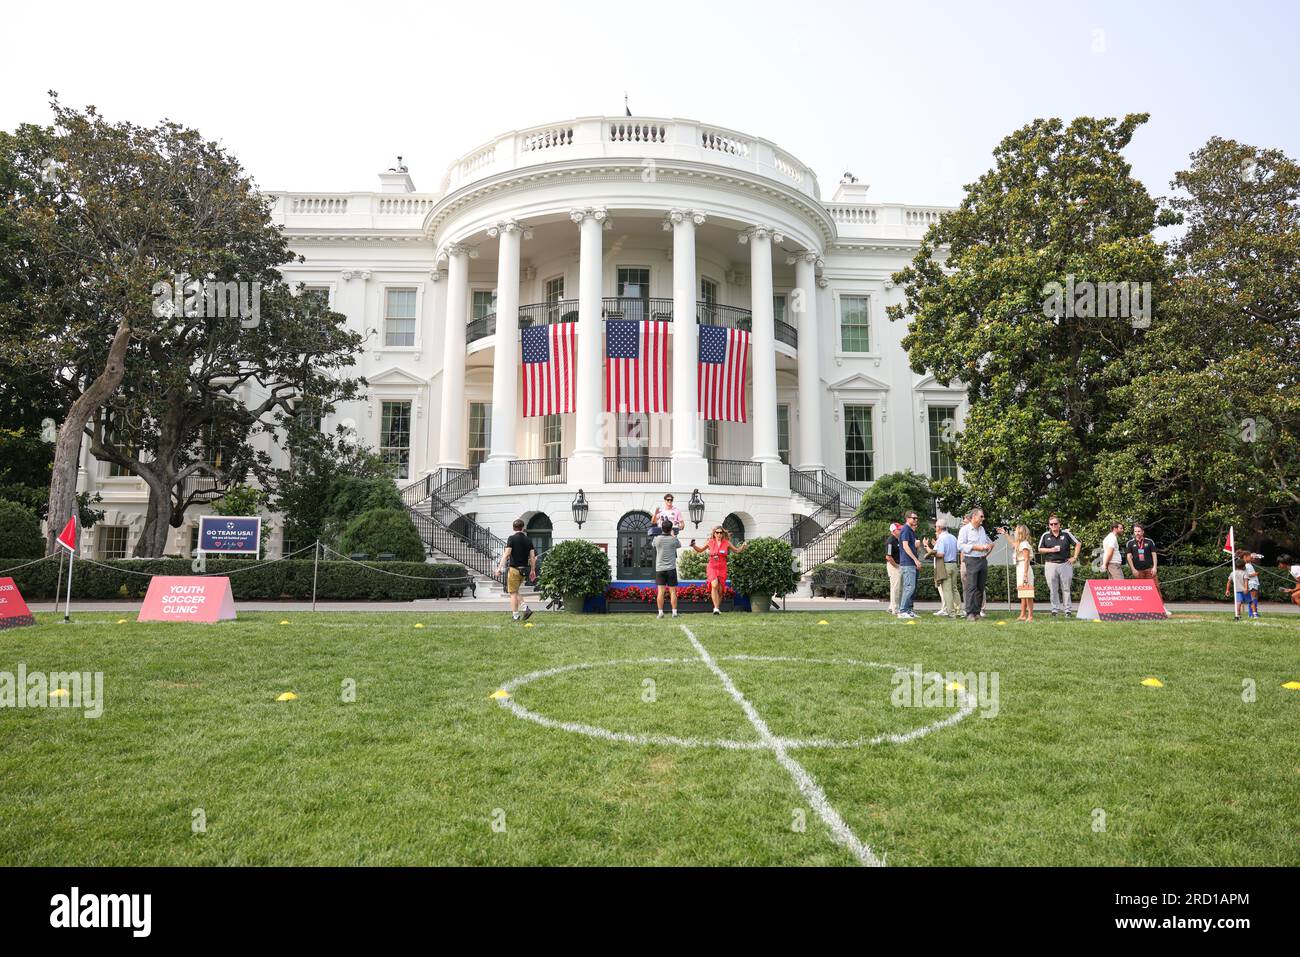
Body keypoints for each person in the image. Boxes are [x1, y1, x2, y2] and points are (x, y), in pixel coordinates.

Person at [690, 525, 747, 615]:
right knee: (714, 585)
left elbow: (736, 550)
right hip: (712, 567)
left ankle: (717, 607)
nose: (719, 534)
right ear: (714, 534)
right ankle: (716, 608)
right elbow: (700, 550)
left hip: (722, 568)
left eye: (721, 532)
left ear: (723, 534)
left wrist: (743, 547)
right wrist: (693, 546)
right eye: (717, 532)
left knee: (720, 590)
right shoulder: (710, 542)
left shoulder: (727, 543)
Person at [957, 509, 1000, 621]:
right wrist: (976, 547)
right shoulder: (964, 530)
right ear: (974, 516)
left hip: (982, 560)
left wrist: (988, 547)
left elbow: (989, 543)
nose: (983, 518)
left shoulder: (982, 529)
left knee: (980, 587)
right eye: (981, 516)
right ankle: (969, 613)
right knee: (971, 587)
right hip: (971, 560)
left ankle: (977, 612)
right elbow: (960, 546)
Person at [1038, 515, 1081, 618]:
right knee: (1053, 589)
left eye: (1055, 524)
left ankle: (1067, 610)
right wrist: (1051, 550)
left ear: (1059, 524)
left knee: (1066, 588)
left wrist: (1074, 557)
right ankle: (1055, 609)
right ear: (1049, 525)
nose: (1053, 526)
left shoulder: (1066, 534)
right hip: (1050, 564)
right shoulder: (1045, 535)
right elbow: (1040, 549)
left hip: (1065, 564)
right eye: (1051, 524)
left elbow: (1078, 543)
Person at [498, 518, 537, 621]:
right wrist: (533, 570)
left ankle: (517, 615)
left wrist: (499, 568)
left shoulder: (511, 538)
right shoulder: (528, 540)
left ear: (513, 528)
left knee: (512, 593)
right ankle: (524, 609)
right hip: (524, 571)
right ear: (523, 528)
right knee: (515, 591)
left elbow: (507, 554)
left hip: (514, 570)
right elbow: (532, 557)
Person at [923, 518, 961, 617]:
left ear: (939, 528)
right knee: (954, 589)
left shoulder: (941, 538)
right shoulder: (953, 537)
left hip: (945, 565)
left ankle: (951, 613)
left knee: (947, 590)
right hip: (954, 564)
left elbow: (940, 554)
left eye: (936, 526)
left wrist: (929, 554)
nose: (935, 528)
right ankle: (959, 611)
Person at [653, 519, 681, 618]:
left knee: (661, 591)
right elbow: (679, 545)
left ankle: (660, 613)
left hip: (660, 569)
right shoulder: (674, 539)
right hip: (671, 569)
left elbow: (653, 545)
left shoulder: (657, 539)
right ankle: (674, 612)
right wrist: (673, 535)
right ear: (670, 529)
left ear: (662, 528)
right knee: (673, 591)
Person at [896, 511, 921, 620]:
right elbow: (905, 546)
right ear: (907, 518)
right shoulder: (905, 529)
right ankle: (902, 611)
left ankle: (908, 610)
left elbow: (911, 546)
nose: (916, 520)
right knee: (909, 587)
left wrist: (917, 546)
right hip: (908, 563)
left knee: (912, 587)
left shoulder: (911, 531)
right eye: (914, 518)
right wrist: (915, 560)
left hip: (911, 563)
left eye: (916, 518)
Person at [1124, 524, 1159, 588]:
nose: (1137, 533)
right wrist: (1133, 570)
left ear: (1143, 532)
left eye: (1139, 531)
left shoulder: (1149, 541)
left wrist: (1154, 567)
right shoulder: (1130, 543)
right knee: (1140, 590)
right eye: (1135, 531)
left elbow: (1154, 555)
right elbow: (1128, 557)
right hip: (1138, 571)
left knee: (1155, 588)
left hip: (1150, 570)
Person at [1014, 524, 1035, 622]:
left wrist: (1025, 574)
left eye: (1019, 532)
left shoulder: (1025, 544)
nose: (1017, 534)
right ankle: (1023, 614)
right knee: (1022, 593)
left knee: (1028, 593)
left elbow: (1026, 559)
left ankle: (1030, 615)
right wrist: (1005, 534)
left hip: (1024, 569)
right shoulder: (1020, 543)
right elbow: (1013, 543)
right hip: (1020, 568)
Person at [884, 522, 902, 616]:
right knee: (896, 588)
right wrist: (896, 566)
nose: (900, 530)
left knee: (895, 587)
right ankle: (895, 608)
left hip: (896, 565)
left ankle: (892, 607)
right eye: (899, 529)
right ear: (893, 531)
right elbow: (888, 556)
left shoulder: (897, 539)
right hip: (894, 566)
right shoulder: (890, 541)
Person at [1226, 555, 1251, 621]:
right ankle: (1254, 614)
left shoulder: (1232, 573)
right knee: (1251, 602)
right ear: (1243, 566)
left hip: (1237, 591)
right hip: (1244, 590)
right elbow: (1246, 581)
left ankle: (1238, 615)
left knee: (1238, 603)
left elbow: (1229, 582)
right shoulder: (1244, 573)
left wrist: (1227, 590)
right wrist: (1246, 588)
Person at [1242, 552, 1261, 619]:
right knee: (1253, 599)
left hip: (1254, 582)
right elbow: (1246, 575)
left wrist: (1255, 556)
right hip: (1251, 583)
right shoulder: (1246, 565)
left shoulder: (1249, 564)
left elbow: (1255, 557)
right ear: (1245, 557)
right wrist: (1254, 574)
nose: (1253, 558)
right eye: (1250, 557)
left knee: (1254, 598)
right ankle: (1251, 613)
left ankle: (1254, 612)